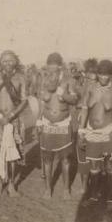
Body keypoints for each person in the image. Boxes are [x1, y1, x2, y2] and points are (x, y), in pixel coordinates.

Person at [78, 60, 112, 209]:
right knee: (94, 165)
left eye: (107, 75)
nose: (103, 77)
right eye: (101, 74)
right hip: (92, 132)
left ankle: (111, 198)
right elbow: (85, 109)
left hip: (109, 132)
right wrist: (81, 131)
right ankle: (93, 196)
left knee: (110, 166)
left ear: (111, 75)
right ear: (97, 74)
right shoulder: (90, 88)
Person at [36, 53, 79, 199]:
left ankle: (66, 189)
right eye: (50, 69)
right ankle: (48, 189)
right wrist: (38, 120)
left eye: (55, 70)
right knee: (47, 158)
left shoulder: (69, 81)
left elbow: (74, 100)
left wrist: (65, 95)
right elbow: (41, 102)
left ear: (60, 68)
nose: (52, 73)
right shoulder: (44, 81)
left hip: (63, 123)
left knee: (65, 159)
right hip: (47, 123)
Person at [0, 50, 28, 197]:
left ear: (16, 61)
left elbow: (24, 100)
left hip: (13, 120)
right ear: (0, 62)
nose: (8, 63)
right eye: (4, 61)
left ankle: (10, 185)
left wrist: (11, 115)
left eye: (10, 60)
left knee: (13, 152)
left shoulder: (21, 78)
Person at [74, 58, 98, 195]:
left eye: (93, 80)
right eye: (88, 79)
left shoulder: (102, 91)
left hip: (97, 125)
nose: (90, 82)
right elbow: (79, 103)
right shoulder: (83, 88)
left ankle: (96, 186)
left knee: (97, 155)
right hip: (83, 122)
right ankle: (84, 186)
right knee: (82, 153)